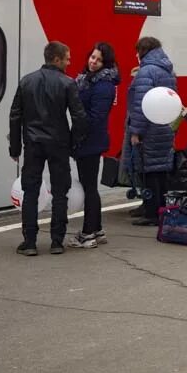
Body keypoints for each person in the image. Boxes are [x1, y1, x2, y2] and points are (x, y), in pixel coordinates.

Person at [9, 41, 87, 256]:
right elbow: (79, 117)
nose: (70, 63)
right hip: (59, 144)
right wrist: (73, 142)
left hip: (33, 145)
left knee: (31, 191)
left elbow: (15, 116)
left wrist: (15, 148)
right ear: (56, 59)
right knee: (60, 192)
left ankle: (30, 242)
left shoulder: (26, 82)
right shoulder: (67, 83)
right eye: (67, 58)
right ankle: (56, 241)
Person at [68, 42, 120, 248]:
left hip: (90, 140)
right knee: (90, 186)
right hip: (89, 139)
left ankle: (88, 233)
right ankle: (96, 229)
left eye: (98, 59)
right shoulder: (89, 80)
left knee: (89, 187)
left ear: (105, 63)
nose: (93, 62)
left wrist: (78, 134)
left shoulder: (103, 85)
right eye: (92, 57)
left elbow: (95, 117)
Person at [126, 36, 177, 227]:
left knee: (149, 171)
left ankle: (151, 212)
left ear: (142, 51)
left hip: (149, 129)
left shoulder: (146, 71)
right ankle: (159, 208)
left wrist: (136, 131)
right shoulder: (168, 70)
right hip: (164, 126)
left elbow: (140, 105)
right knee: (161, 170)